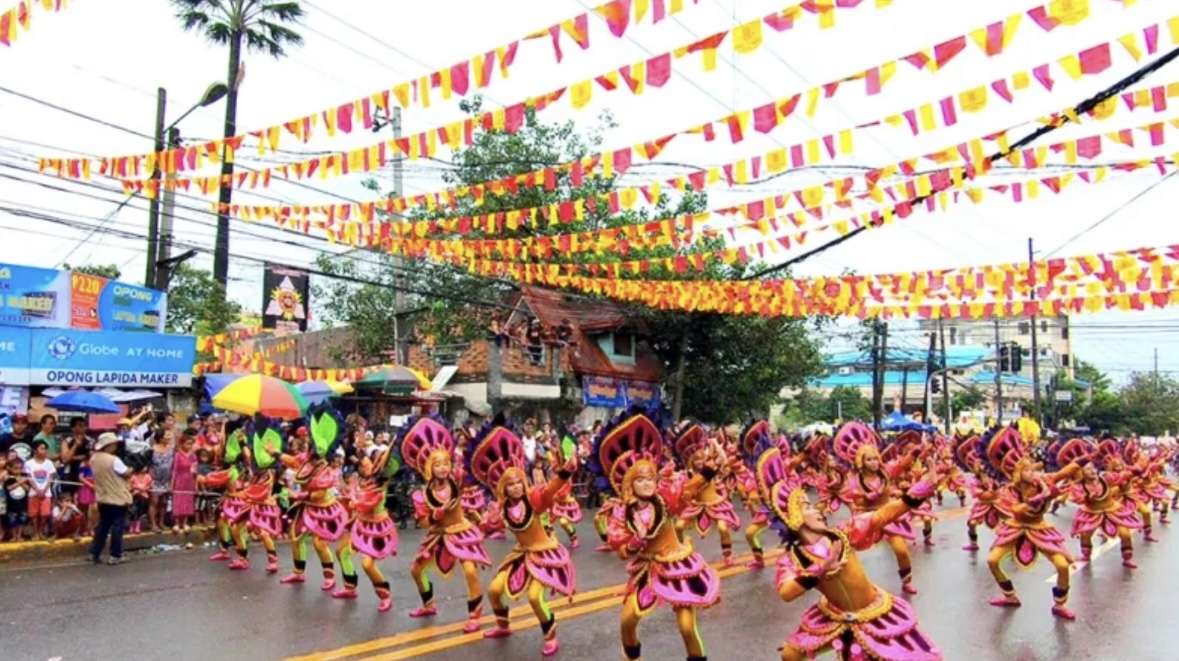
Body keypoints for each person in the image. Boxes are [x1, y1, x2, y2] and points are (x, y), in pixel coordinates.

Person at [473, 421, 577, 656]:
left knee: (534, 596)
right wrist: (479, 528)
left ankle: (550, 635)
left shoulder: (534, 499)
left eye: (519, 482)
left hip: (543, 552)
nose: (516, 487)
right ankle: (503, 625)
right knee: (494, 590)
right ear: (503, 489)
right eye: (510, 485)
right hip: (521, 553)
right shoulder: (501, 508)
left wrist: (565, 472)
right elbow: (488, 527)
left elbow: (550, 490)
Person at [402, 417, 491, 633]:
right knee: (416, 570)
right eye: (437, 464)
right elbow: (424, 522)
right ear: (429, 468)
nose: (443, 468)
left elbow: (471, 470)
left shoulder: (457, 479)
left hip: (461, 532)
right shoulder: (422, 495)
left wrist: (475, 446)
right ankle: (428, 605)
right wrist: (436, 515)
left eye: (445, 463)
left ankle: (475, 615)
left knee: (470, 571)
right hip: (438, 534)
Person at [90, 432, 132, 565]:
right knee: (117, 526)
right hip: (117, 497)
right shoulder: (114, 460)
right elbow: (126, 473)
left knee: (103, 525)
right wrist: (132, 469)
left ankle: (95, 552)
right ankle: (115, 554)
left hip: (103, 496)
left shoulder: (94, 458)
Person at [25, 440, 56, 541]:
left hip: (46, 493)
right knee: (33, 514)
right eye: (42, 448)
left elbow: (50, 478)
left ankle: (41, 531)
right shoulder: (29, 463)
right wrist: (37, 490)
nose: (45, 451)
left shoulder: (49, 463)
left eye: (45, 448)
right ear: (35, 450)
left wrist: (44, 490)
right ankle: (35, 532)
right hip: (34, 492)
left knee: (45, 514)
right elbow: (29, 478)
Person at [171, 430, 198, 533]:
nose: (189, 446)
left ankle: (185, 522)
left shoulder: (193, 456)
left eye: (191, 444)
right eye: (187, 443)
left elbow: (195, 472)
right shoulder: (177, 455)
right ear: (182, 444)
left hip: (189, 480)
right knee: (178, 500)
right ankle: (177, 523)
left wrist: (195, 485)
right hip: (179, 479)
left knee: (188, 501)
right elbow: (174, 471)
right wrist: (172, 484)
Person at [59, 418, 93, 499]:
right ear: (73, 428)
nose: (83, 428)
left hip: (86, 474)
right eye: (80, 425)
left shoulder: (90, 441)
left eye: (84, 425)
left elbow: (92, 457)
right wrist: (75, 446)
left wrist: (73, 457)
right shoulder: (67, 441)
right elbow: (65, 459)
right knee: (69, 498)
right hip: (69, 474)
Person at [149, 431, 174, 532]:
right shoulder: (152, 449)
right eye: (166, 436)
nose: (168, 438)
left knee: (163, 502)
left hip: (166, 479)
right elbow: (149, 465)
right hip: (155, 479)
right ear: (160, 437)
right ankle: (153, 524)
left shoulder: (171, 449)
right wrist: (150, 479)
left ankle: (161, 522)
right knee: (154, 502)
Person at [4, 456, 28, 541]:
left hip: (22, 503)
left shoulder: (25, 477)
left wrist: (22, 482)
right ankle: (14, 536)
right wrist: (18, 482)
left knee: (22, 519)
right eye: (16, 468)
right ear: (10, 468)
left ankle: (19, 535)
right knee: (12, 520)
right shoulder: (8, 479)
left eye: (20, 468)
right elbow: (9, 488)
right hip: (11, 503)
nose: (18, 470)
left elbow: (27, 489)